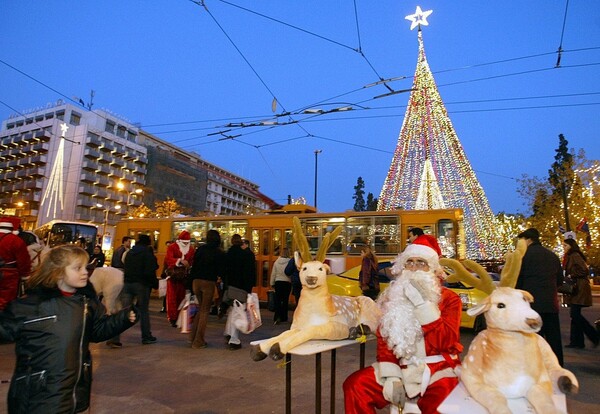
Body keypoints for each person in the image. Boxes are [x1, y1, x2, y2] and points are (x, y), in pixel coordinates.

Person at [0, 245, 137, 413]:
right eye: (77, 268)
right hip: (38, 395)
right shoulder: (30, 306)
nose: (85, 272)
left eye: (85, 267)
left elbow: (96, 331)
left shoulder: (86, 303)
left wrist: (123, 318)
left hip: (74, 393)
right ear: (57, 271)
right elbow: (4, 329)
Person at [344, 238, 462, 414]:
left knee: (441, 404)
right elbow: (384, 339)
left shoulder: (449, 298)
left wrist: (422, 305)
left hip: (437, 369)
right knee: (355, 385)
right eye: (409, 263)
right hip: (400, 366)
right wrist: (391, 375)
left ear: (432, 269)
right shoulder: (393, 297)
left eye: (421, 263)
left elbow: (446, 341)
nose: (414, 268)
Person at [516, 228, 564, 366]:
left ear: (528, 240)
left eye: (522, 240)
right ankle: (557, 365)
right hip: (550, 304)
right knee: (554, 338)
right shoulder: (552, 256)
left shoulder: (524, 256)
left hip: (531, 305)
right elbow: (560, 279)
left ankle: (535, 367)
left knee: (533, 338)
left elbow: (518, 280)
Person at [188, 229, 226, 349]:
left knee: (200, 309)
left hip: (196, 282)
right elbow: (221, 269)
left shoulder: (201, 249)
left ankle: (192, 337)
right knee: (205, 311)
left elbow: (194, 265)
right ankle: (198, 341)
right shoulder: (218, 252)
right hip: (208, 282)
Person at [120, 234, 159, 345]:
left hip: (127, 284)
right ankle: (146, 336)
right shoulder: (147, 254)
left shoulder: (129, 253)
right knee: (144, 311)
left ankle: (114, 338)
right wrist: (155, 284)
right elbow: (149, 272)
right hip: (141, 285)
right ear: (148, 242)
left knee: (124, 311)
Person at [562, 238, 599, 349]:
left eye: (565, 246)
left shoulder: (574, 255)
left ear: (571, 246)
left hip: (579, 288)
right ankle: (577, 341)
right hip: (577, 287)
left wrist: (571, 275)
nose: (563, 248)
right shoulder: (571, 256)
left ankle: (594, 335)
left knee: (575, 314)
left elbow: (584, 270)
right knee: (574, 314)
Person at [223, 234, 256, 350]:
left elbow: (224, 272)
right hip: (241, 289)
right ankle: (234, 340)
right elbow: (250, 274)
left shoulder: (227, 254)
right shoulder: (247, 255)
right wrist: (249, 290)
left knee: (233, 311)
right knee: (238, 313)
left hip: (230, 287)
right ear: (242, 243)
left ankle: (228, 333)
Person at [0, 217, 31, 311]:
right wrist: (25, 275)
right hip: (8, 274)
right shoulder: (16, 240)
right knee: (5, 299)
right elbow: (23, 261)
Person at [164, 231, 195, 327]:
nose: (186, 244)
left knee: (181, 297)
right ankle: (173, 317)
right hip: (173, 276)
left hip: (182, 277)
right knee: (172, 298)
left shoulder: (191, 249)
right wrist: (180, 261)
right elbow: (168, 259)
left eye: (187, 242)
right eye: (184, 242)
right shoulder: (173, 247)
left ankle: (178, 316)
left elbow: (192, 261)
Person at [270, 247, 292, 324]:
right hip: (287, 282)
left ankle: (277, 316)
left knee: (278, 300)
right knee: (285, 300)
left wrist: (272, 283)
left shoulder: (276, 262)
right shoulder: (290, 262)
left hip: (278, 282)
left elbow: (273, 273)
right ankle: (284, 317)